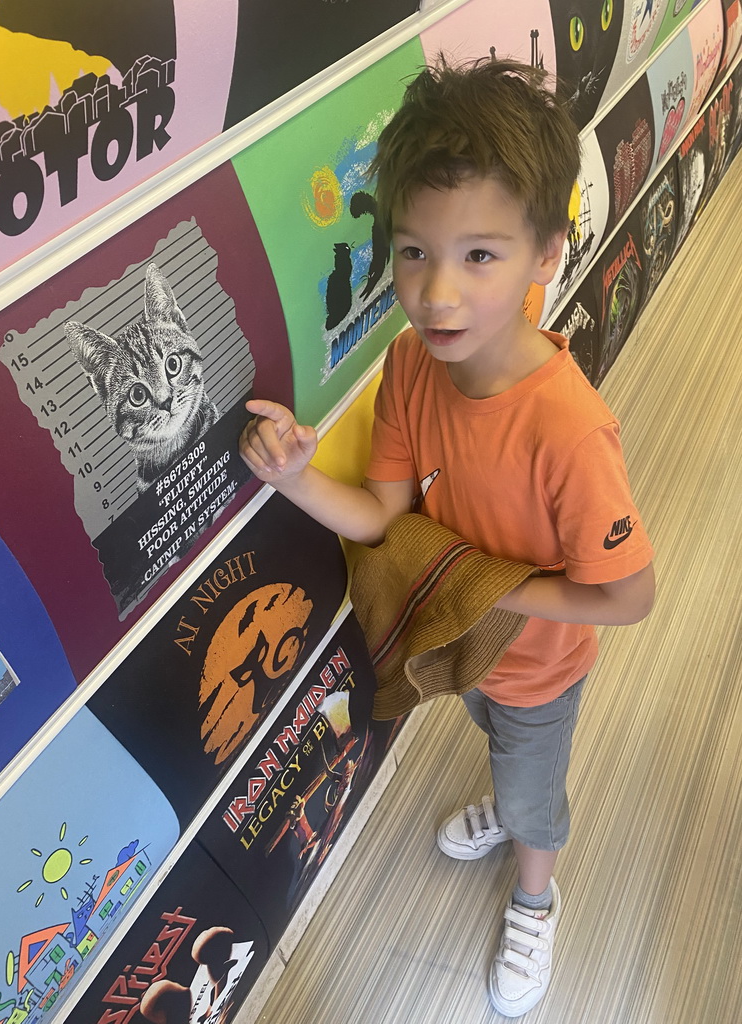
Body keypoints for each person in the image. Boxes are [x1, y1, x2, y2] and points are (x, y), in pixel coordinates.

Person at [240, 57, 655, 1018]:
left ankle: (535, 892)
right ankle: (509, 810)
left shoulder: (569, 430)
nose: (436, 295)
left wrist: (488, 587)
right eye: (415, 251)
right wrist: (295, 474)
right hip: (466, 657)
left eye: (480, 255)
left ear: (546, 253)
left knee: (533, 789)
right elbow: (384, 516)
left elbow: (630, 596)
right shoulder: (409, 367)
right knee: (492, 737)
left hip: (543, 667)